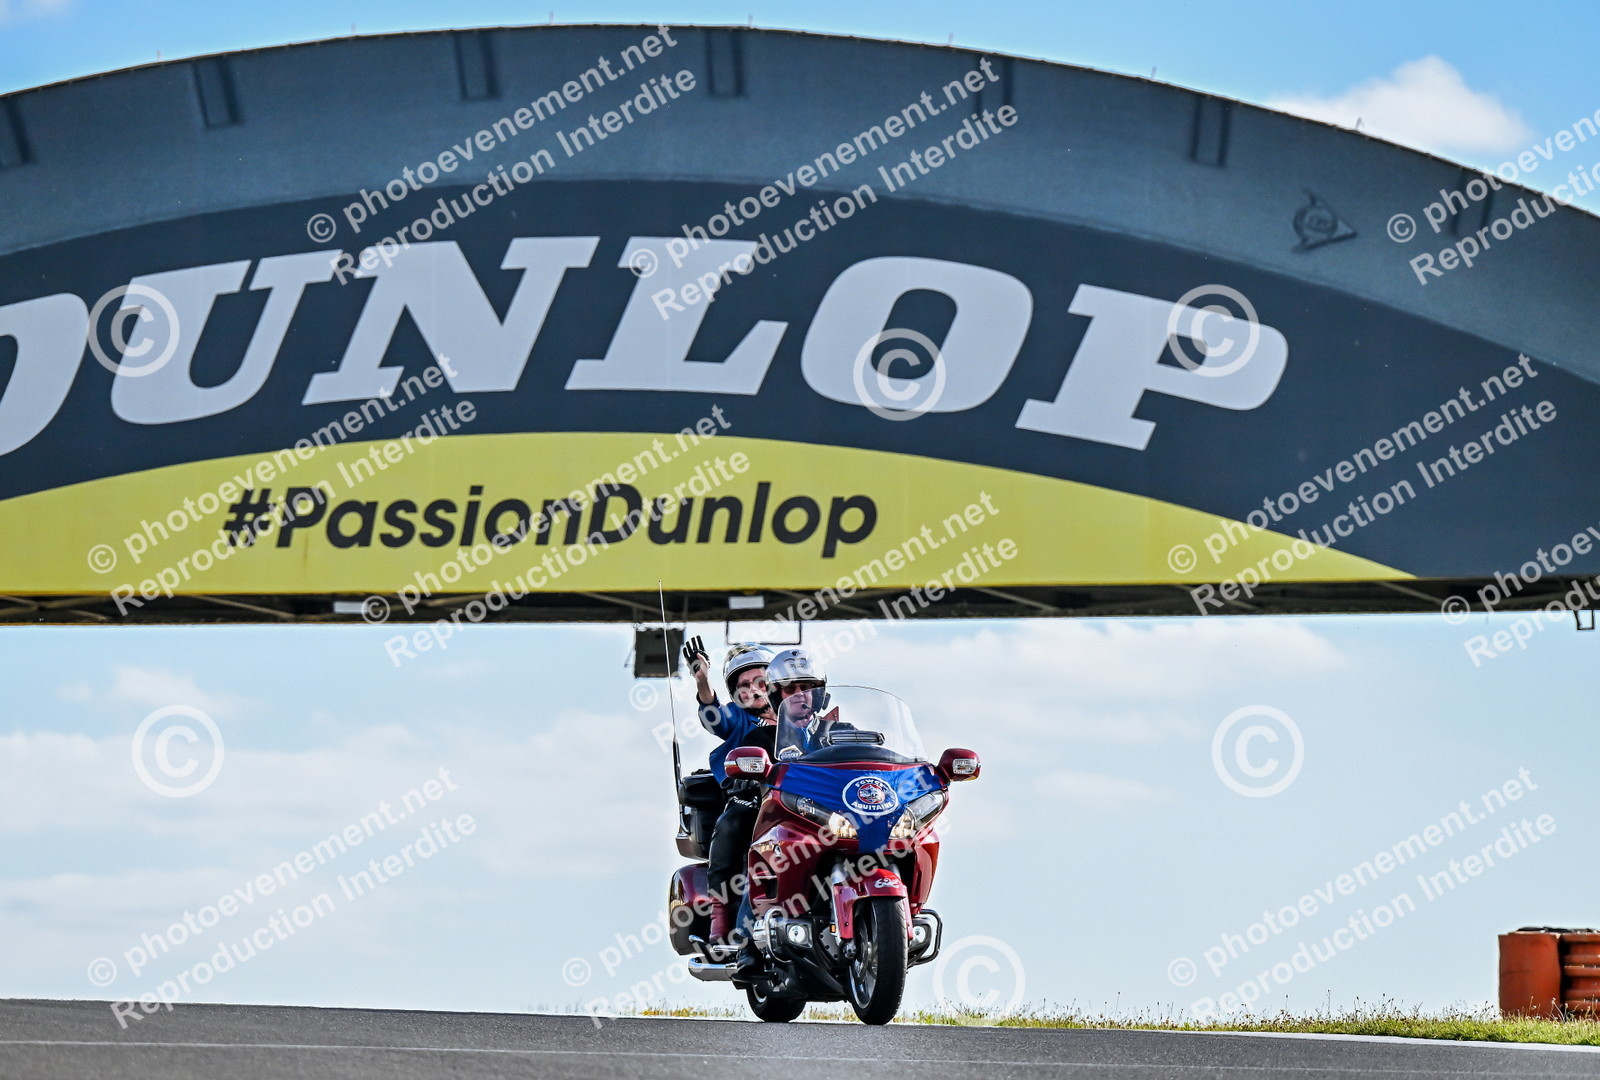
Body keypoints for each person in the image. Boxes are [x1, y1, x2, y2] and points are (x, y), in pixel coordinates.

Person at [682, 637, 775, 947]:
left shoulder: (801, 714)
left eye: (760, 681)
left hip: (799, 798)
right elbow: (715, 718)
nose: (753, 689)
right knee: (732, 822)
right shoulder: (738, 718)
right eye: (743, 685)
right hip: (752, 796)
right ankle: (720, 916)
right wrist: (702, 680)